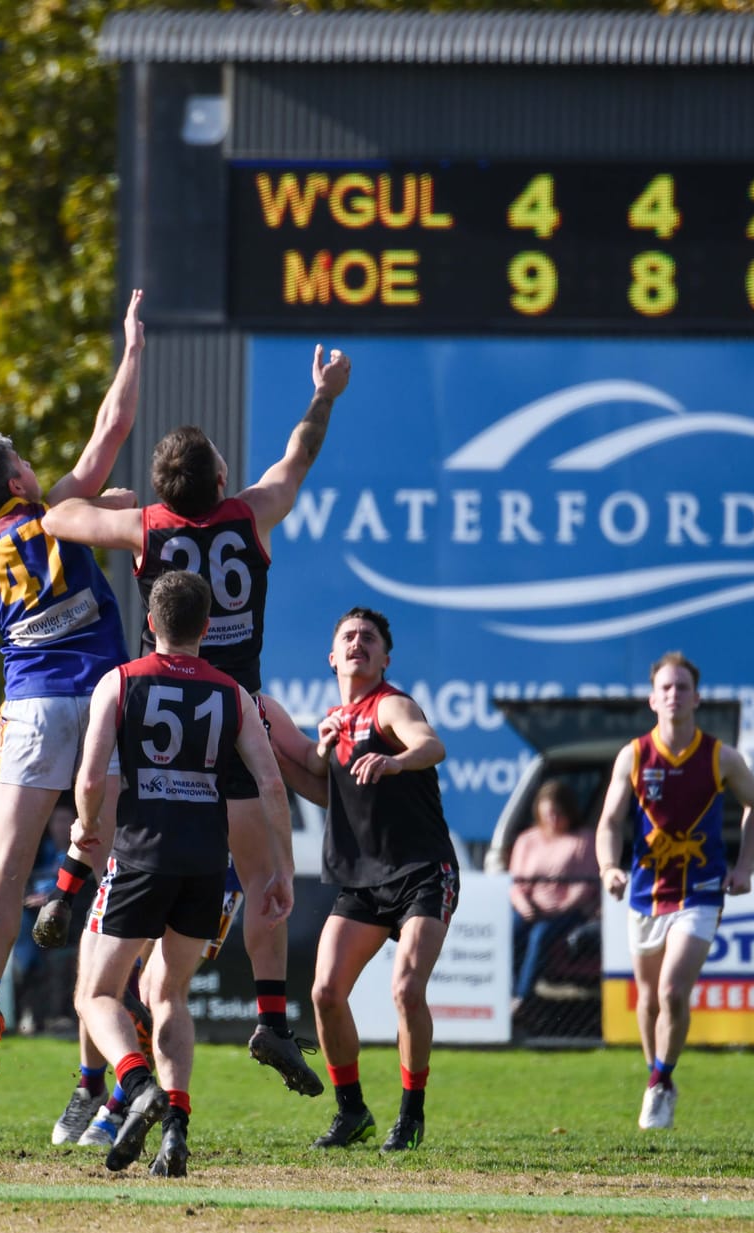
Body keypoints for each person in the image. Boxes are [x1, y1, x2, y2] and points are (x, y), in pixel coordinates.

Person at [38, 342, 352, 1098]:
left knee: (128, 845)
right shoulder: (252, 513)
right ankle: (272, 1017)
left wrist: (108, 499)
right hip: (235, 711)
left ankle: (77, 883)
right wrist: (324, 397)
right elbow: (297, 458)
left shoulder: (144, 527)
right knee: (268, 870)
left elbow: (58, 513)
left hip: (160, 717)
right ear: (219, 479)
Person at [0, 288, 145, 1099]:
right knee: (114, 865)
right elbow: (111, 428)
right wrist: (133, 350)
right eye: (25, 461)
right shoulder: (57, 515)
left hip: (35, 710)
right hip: (109, 701)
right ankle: (114, 1023)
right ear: (16, 474)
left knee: (4, 869)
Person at [68, 570, 293, 1175]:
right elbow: (271, 785)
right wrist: (283, 871)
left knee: (96, 993)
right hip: (205, 864)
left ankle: (138, 1085)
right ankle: (175, 1131)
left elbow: (90, 779)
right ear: (207, 628)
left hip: (142, 855)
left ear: (150, 624)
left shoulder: (119, 682)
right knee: (168, 993)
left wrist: (85, 824)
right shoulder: (233, 693)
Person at [265, 607, 455, 1153]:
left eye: (368, 638)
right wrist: (289, 750)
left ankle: (411, 1115)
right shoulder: (335, 722)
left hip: (422, 871)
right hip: (365, 880)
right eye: (347, 636)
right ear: (331, 656)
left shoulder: (390, 704)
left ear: (384, 658)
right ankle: (353, 1113)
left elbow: (429, 744)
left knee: (406, 989)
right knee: (325, 992)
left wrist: (398, 762)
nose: (357, 643)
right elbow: (319, 785)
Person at [594, 651, 754, 1132]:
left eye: (683, 687)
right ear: (653, 699)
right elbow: (609, 821)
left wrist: (744, 866)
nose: (674, 695)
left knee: (672, 990)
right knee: (647, 998)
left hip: (702, 890)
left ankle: (660, 1077)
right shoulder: (633, 755)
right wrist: (609, 866)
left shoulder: (721, 757)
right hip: (646, 892)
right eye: (666, 688)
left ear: (697, 697)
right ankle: (659, 1079)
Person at [508, 780, 599, 1011]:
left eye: (559, 814)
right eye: (548, 814)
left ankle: (522, 998)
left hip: (567, 911)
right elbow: (516, 883)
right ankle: (505, 991)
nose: (553, 820)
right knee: (510, 931)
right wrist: (524, 905)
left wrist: (559, 908)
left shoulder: (583, 840)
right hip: (530, 907)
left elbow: (585, 887)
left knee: (540, 935)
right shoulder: (527, 840)